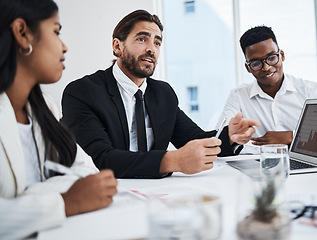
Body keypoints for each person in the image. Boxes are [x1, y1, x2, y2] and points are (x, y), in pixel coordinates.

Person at [62, 10, 259, 179]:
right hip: (108, 192)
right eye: (142, 39)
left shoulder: (163, 93)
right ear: (117, 46)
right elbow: (101, 159)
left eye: (157, 43)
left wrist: (230, 137)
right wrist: (173, 160)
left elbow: (194, 139)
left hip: (158, 190)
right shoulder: (82, 92)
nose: (151, 49)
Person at [0, 0, 118, 239]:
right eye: (56, 31)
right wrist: (64, 202)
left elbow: (85, 169)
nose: (64, 47)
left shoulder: (46, 108)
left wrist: (31, 201)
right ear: (23, 33)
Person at [218, 25, 317, 153]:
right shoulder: (238, 96)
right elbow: (220, 142)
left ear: (281, 55)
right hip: (259, 173)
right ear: (248, 68)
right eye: (256, 63)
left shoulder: (310, 91)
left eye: (271, 58)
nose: (266, 67)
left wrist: (292, 137)